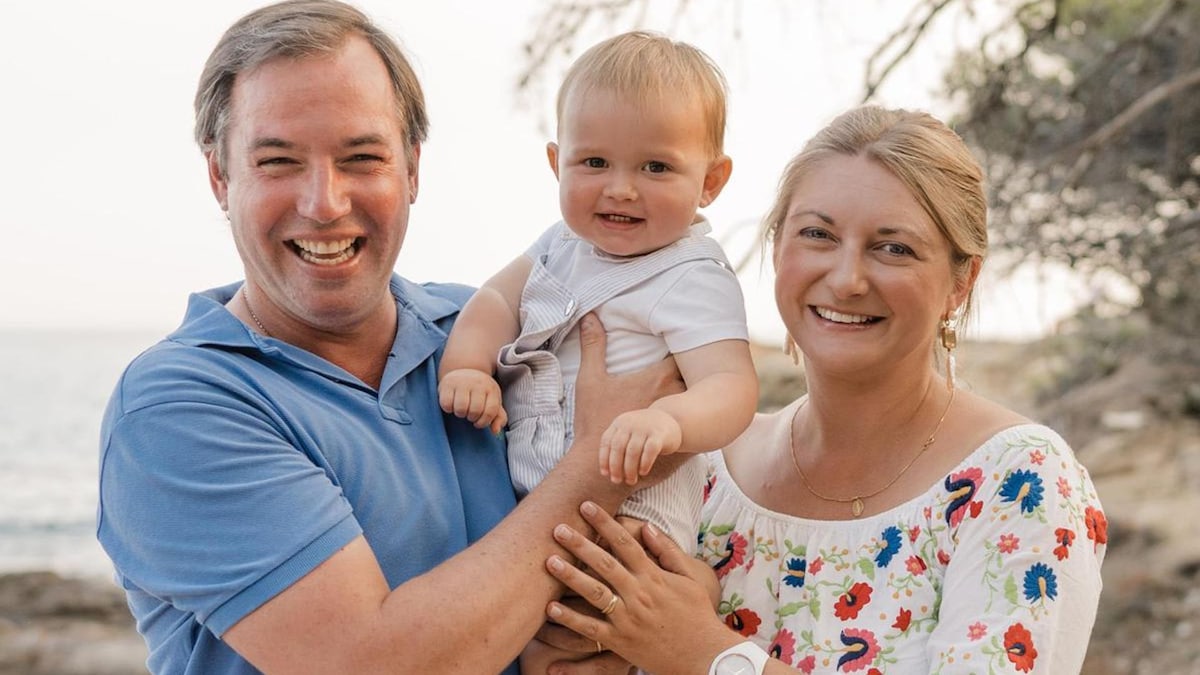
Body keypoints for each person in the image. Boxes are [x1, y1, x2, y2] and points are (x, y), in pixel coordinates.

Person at [95, 2, 684, 673]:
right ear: (220, 179)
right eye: (279, 161)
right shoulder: (178, 408)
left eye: (361, 157)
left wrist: (628, 632)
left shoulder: (497, 332)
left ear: (411, 170)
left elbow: (677, 548)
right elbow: (370, 663)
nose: (324, 203)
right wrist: (598, 465)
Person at [539, 106, 1108, 675]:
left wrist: (702, 651)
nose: (846, 279)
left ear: (962, 282)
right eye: (818, 235)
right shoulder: (699, 463)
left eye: (894, 248)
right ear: (777, 248)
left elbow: (683, 645)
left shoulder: (1018, 480)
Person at [438, 30, 758, 556]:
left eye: (656, 167)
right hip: (526, 500)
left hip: (633, 514)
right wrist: (468, 367)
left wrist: (668, 421)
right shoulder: (559, 244)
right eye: (594, 163)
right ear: (556, 163)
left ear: (711, 181)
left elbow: (730, 387)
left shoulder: (694, 275)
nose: (621, 189)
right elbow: (496, 300)